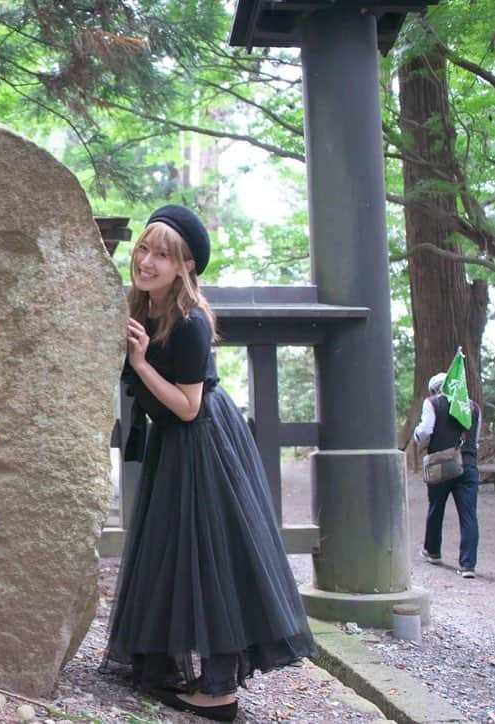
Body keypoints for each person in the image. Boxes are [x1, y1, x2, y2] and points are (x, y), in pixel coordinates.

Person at [102, 205, 316, 722]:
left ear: (186, 266)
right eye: (143, 250)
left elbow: (189, 405)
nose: (147, 262)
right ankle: (164, 667)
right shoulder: (142, 307)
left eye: (162, 255)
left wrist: (138, 363)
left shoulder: (191, 320)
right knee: (172, 552)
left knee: (211, 556)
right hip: (172, 446)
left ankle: (220, 690)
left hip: (204, 442)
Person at [413, 372, 480, 578]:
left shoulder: (432, 403)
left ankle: (433, 551)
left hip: (441, 465)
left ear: (435, 389)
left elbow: (425, 431)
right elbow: (475, 440)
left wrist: (417, 437)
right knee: (469, 515)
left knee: (436, 508)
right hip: (468, 465)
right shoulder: (473, 407)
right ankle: (468, 565)